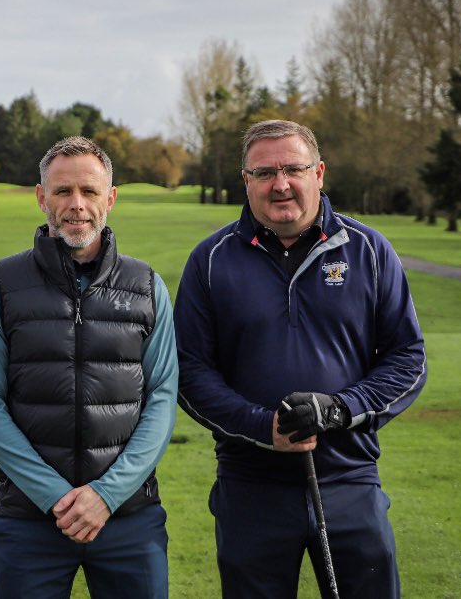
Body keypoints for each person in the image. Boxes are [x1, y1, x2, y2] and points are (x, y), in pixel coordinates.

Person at [174, 119, 426, 598]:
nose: (281, 183)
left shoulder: (370, 250)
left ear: (320, 173)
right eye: (264, 172)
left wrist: (340, 409)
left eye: (293, 168)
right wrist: (260, 426)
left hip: (348, 480)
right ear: (245, 181)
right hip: (250, 487)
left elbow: (407, 359)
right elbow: (188, 373)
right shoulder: (210, 260)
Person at [0, 136, 178, 598]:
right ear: (41, 197)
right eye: (62, 192)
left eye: (89, 192)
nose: (76, 205)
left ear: (111, 199)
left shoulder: (147, 287)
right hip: (31, 522)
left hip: (129, 520)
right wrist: (55, 497)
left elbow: (161, 398)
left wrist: (106, 495)